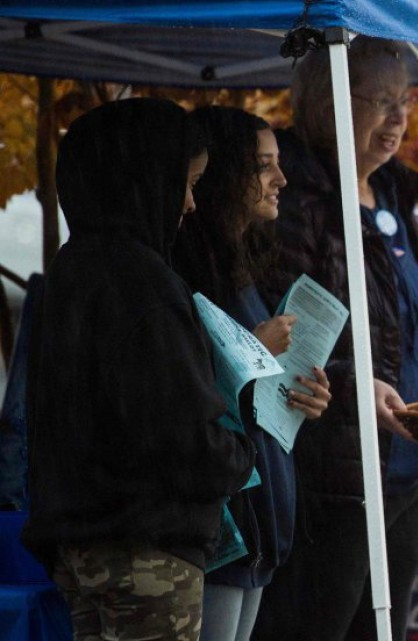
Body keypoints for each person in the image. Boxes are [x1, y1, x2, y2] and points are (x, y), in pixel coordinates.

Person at [22, 97, 256, 641]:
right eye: (188, 182)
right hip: (147, 550)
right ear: (146, 179)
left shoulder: (70, 270)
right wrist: (242, 454)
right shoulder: (144, 283)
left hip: (78, 544)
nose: (192, 204)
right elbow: (179, 436)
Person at [253, 37, 418, 641]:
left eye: (404, 101)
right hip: (334, 475)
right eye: (381, 101)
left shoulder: (393, 195)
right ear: (329, 102)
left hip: (406, 467)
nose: (399, 118)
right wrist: (357, 386)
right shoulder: (297, 202)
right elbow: (281, 335)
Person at [170, 106, 334, 641]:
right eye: (263, 166)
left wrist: (306, 394)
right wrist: (253, 349)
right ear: (224, 174)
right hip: (224, 526)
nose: (280, 180)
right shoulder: (185, 271)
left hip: (260, 522)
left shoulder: (244, 261)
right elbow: (188, 388)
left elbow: (254, 390)